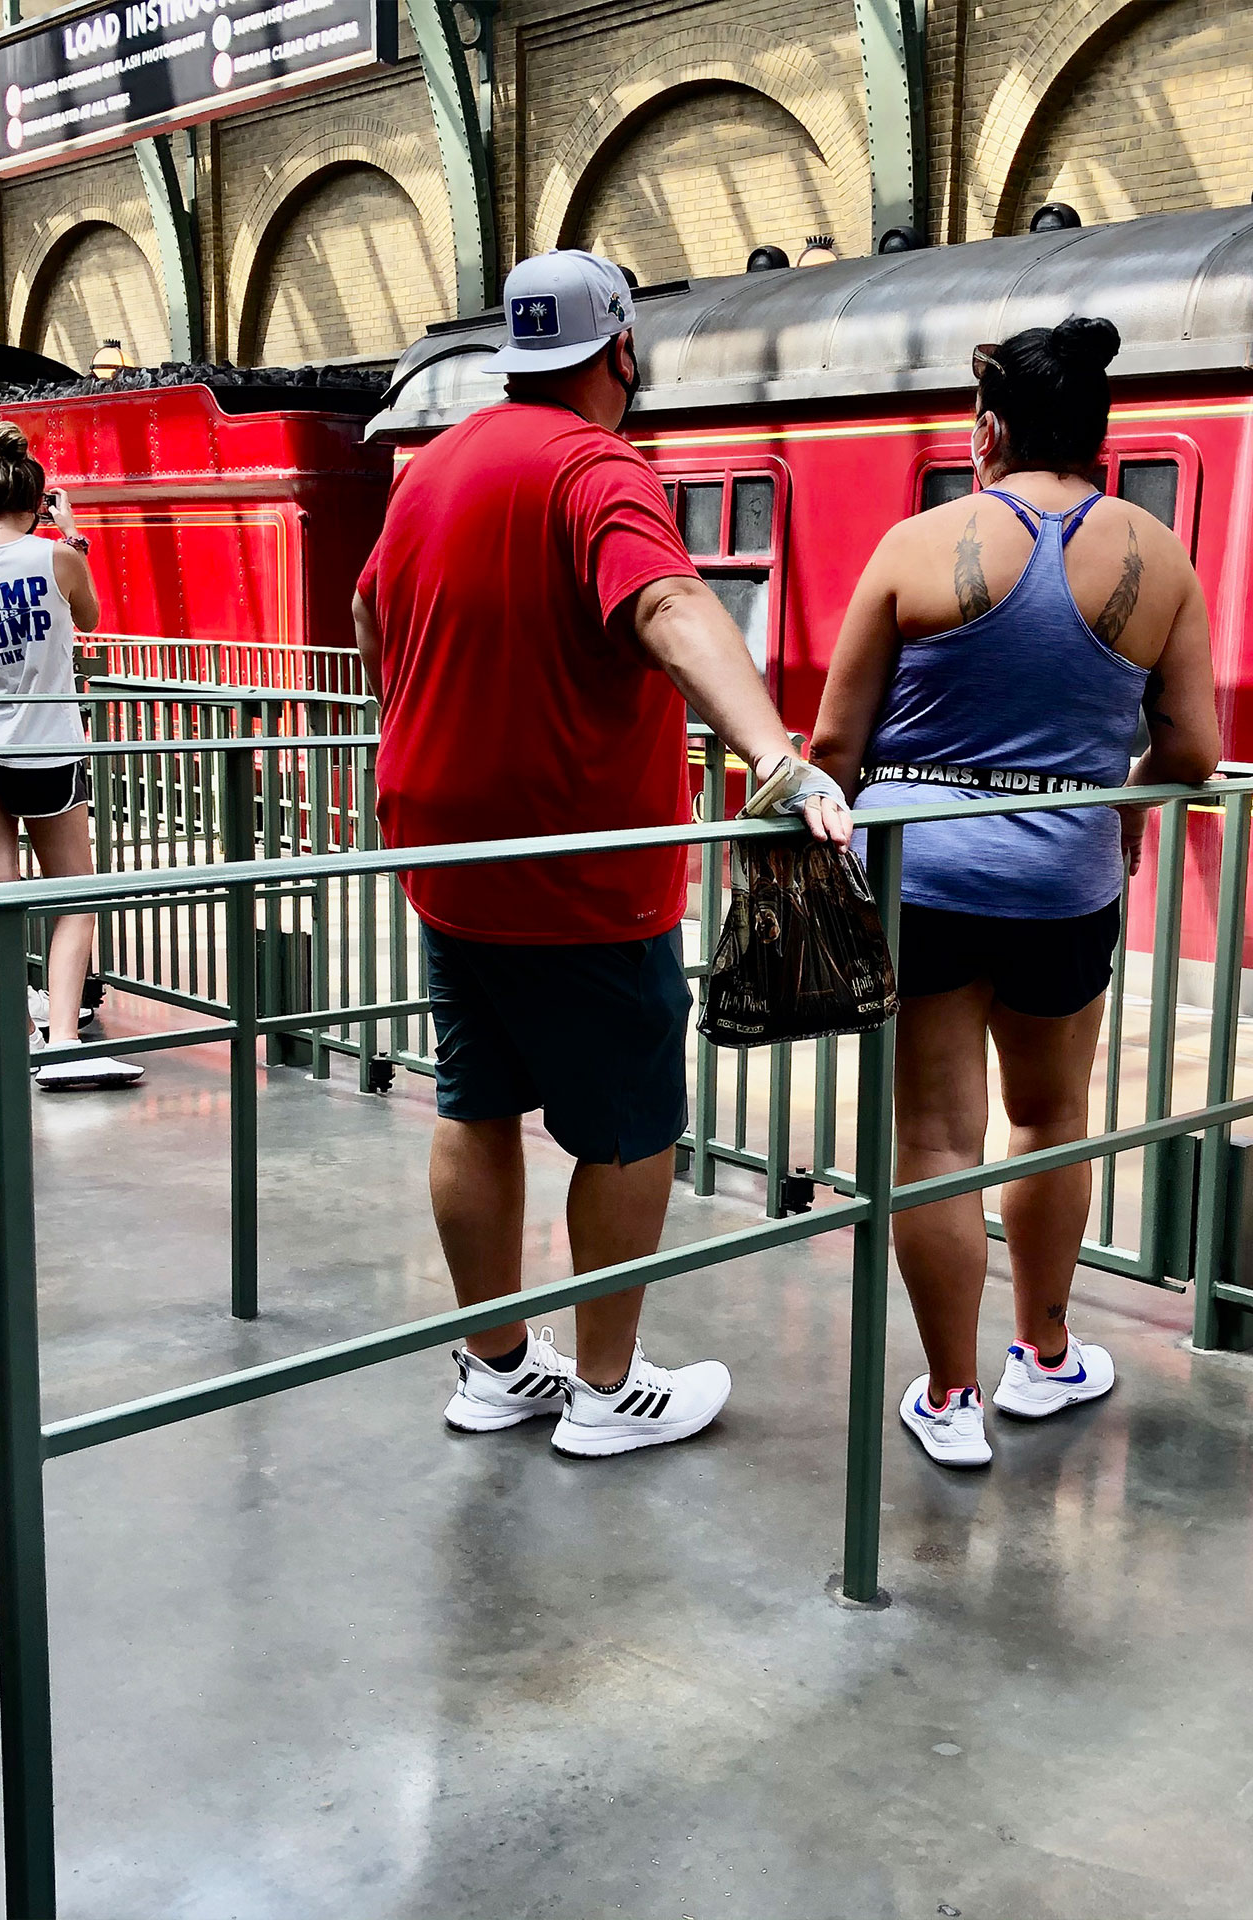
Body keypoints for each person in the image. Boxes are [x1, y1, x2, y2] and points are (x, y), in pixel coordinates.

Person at [352, 249, 852, 1458]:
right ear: (620, 353)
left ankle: (491, 1366)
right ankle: (605, 1388)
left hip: (440, 846)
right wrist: (776, 757)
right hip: (574, 864)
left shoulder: (436, 466)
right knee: (627, 1125)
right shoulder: (597, 465)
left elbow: (370, 613)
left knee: (473, 1104)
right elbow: (674, 609)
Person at [808, 317, 1218, 1469]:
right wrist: (1104, 798)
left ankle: (950, 1398)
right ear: (1102, 436)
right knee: (1048, 1120)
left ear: (985, 432)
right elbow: (1192, 753)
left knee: (935, 1141)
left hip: (918, 877)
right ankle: (1042, 1359)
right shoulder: (1159, 556)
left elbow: (836, 742)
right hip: (1065, 879)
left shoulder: (916, 543)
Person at [0, 421, 140, 1089]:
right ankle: (62, 1042)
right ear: (37, 498)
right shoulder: (57, 555)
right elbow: (88, 619)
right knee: (74, 897)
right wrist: (72, 532)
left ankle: (14, 1039)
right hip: (44, 746)